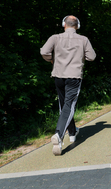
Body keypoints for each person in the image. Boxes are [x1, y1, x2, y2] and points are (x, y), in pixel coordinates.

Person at [40, 15, 96, 155]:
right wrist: (81, 57)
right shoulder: (83, 39)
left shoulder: (55, 37)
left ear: (64, 24)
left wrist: (52, 60)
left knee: (64, 104)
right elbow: (92, 57)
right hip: (74, 76)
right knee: (69, 106)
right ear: (77, 26)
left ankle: (72, 132)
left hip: (58, 76)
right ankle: (59, 135)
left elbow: (44, 52)